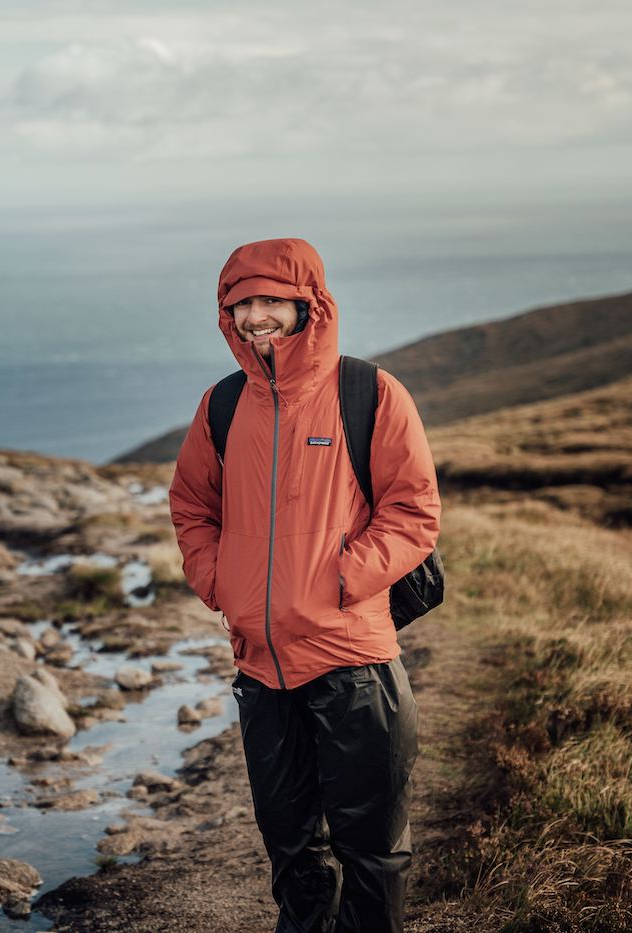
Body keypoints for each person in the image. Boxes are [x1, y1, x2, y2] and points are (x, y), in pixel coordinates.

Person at [168, 237, 442, 933]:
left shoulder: (369, 392)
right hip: (261, 671)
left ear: (307, 305)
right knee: (290, 850)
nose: (255, 316)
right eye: (240, 303)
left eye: (269, 301)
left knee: (371, 851)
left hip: (353, 662)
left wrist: (344, 577)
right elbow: (191, 506)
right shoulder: (222, 406)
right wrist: (219, 581)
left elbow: (414, 513)